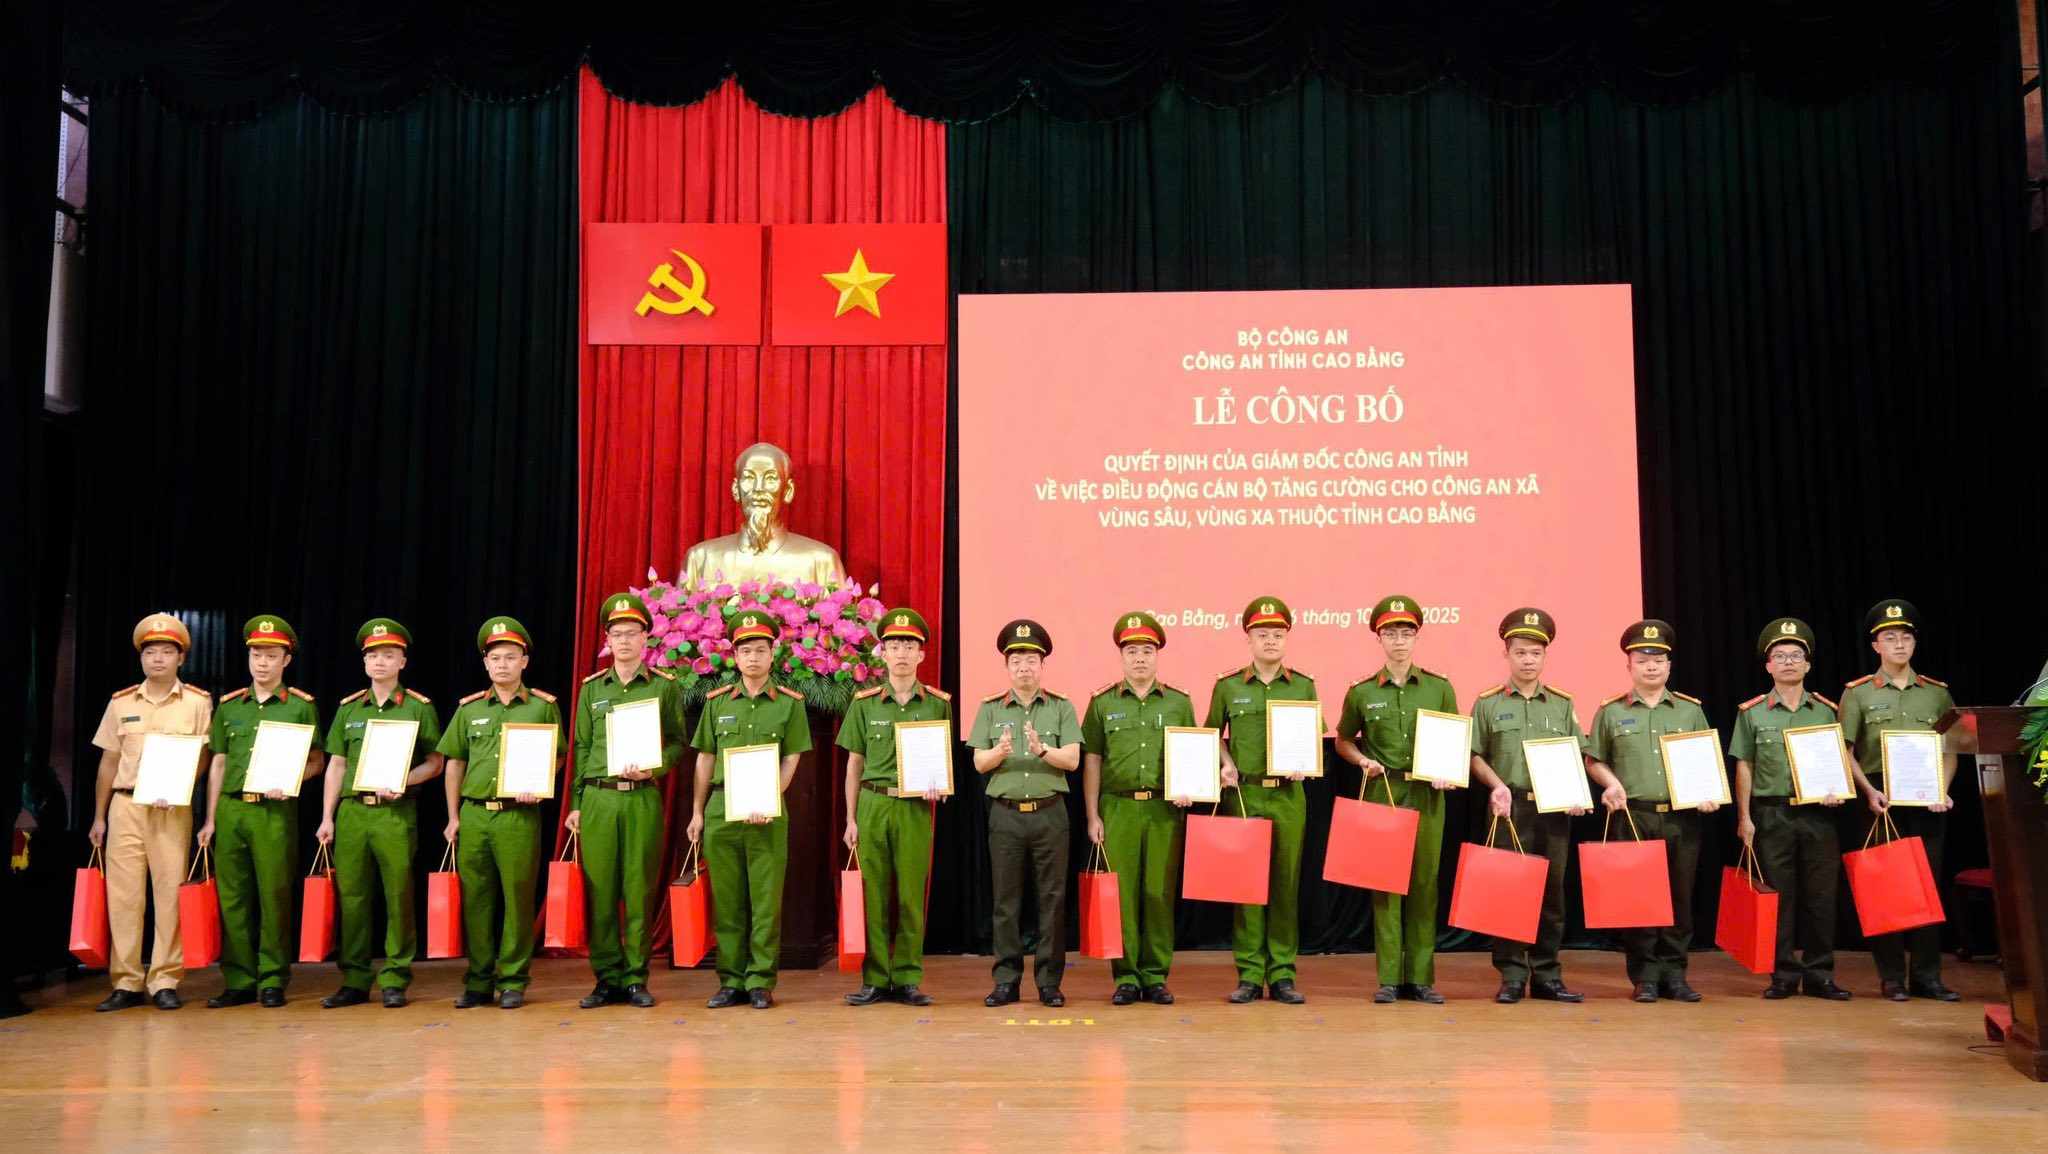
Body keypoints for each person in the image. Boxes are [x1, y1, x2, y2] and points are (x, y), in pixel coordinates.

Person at [1334, 596, 1459, 1004]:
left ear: (1416, 637)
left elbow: (1454, 739)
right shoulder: (1361, 691)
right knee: (1385, 887)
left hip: (1427, 793)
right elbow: (1342, 740)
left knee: (1424, 885)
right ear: (1379, 638)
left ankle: (1420, 977)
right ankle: (1389, 976)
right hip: (1382, 791)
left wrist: (1450, 772)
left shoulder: (1440, 688)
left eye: (1406, 633)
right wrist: (1361, 760)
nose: (1399, 641)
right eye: (1391, 633)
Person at [686, 609, 811, 1010]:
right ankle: (731, 980)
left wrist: (770, 796)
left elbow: (792, 757)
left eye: (760, 649)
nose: (753, 657)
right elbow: (705, 758)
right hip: (723, 807)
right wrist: (697, 811)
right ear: (734, 657)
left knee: (764, 899)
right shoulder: (717, 703)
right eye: (745, 650)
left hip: (768, 812)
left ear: (772, 654)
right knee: (728, 899)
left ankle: (759, 980)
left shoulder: (789, 704)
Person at [1838, 598, 1961, 1002]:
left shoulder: (1936, 694)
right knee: (1885, 889)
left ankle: (1927, 975)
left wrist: (1943, 787)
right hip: (1880, 798)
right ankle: (1891, 976)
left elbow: (1951, 747)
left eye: (1906, 637)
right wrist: (1868, 791)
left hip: (1927, 798)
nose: (1899, 644)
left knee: (1927, 888)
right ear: (1876, 645)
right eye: (1890, 638)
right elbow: (1846, 750)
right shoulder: (1857, 694)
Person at [1584, 619, 1713, 1004]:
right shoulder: (1610, 712)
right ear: (1629, 665)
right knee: (1639, 900)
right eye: (1642, 659)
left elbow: (1704, 761)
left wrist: (1706, 793)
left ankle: (1676, 975)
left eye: (1658, 659)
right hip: (1634, 816)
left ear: (1670, 665)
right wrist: (1611, 783)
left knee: (1679, 899)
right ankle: (1645, 977)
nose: (1651, 666)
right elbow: (1593, 759)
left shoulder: (1689, 711)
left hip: (1680, 816)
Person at [317, 618, 443, 1009]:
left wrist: (405, 779)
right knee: (352, 897)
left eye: (388, 655)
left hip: (394, 812)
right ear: (364, 662)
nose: (379, 662)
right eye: (373, 655)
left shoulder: (418, 708)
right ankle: (354, 979)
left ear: (402, 661)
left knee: (397, 895)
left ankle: (395, 977)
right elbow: (336, 764)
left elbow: (436, 762)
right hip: (354, 811)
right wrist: (327, 817)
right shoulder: (349, 709)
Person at [566, 594, 685, 1010]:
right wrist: (576, 804)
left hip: (641, 799)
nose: (623, 641)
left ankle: (636, 977)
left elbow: (676, 743)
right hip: (599, 797)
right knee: (600, 891)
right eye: (616, 634)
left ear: (645, 637)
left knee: (637, 888)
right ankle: (606, 978)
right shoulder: (591, 689)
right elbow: (581, 748)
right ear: (607, 640)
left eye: (631, 633)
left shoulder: (664, 687)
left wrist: (655, 769)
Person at [89, 613, 212, 1011]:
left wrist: (177, 787)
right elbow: (108, 761)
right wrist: (99, 815)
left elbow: (205, 758)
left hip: (171, 808)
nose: (158, 658)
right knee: (123, 898)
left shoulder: (197, 702)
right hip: (126, 805)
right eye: (150, 652)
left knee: (170, 893)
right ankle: (126, 981)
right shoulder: (122, 702)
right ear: (141, 658)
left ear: (181, 658)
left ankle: (164, 979)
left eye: (167, 651)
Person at [1467, 607, 1588, 1004]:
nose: (1528, 660)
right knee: (1508, 893)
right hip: (1509, 808)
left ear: (1545, 656)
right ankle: (1512, 975)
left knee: (1552, 894)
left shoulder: (1562, 704)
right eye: (1520, 652)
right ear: (1507, 654)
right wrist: (1496, 785)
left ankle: (1547, 974)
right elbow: (1474, 755)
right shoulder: (1487, 703)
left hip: (1553, 811)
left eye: (1535, 653)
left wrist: (1575, 794)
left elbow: (1577, 754)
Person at [437, 617, 560, 1009]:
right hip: (475, 815)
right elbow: (453, 763)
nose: (503, 664)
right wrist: (453, 816)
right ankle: (477, 980)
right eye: (495, 658)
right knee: (477, 899)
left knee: (518, 898)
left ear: (524, 661)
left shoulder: (542, 708)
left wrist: (538, 783)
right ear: (486, 664)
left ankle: (512, 980)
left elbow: (558, 758)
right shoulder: (469, 710)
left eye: (511, 657)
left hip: (517, 816)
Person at [199, 616, 320, 1007]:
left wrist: (291, 780)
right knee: (232, 897)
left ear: (286, 659)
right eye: (255, 654)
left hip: (273, 811)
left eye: (271, 655)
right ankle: (238, 978)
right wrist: (210, 818)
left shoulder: (301, 707)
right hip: (233, 808)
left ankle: (271, 978)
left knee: (273, 895)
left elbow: (318, 760)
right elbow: (218, 762)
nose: (262, 663)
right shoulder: (231, 706)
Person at [1731, 617, 1853, 1001]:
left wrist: (1838, 790)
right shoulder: (1752, 712)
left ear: (1808, 665)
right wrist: (1744, 817)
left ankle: (1820, 974)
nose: (1788, 662)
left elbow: (1840, 758)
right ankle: (1782, 974)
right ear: (1768, 666)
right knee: (1778, 899)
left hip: (1819, 813)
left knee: (1821, 899)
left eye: (1795, 655)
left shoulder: (1825, 711)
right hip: (1772, 813)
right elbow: (1744, 764)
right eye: (1779, 656)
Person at [1082, 611, 1199, 1006]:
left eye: (1147, 650)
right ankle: (1127, 976)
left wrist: (1190, 788)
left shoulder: (1180, 703)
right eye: (1131, 650)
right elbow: (1093, 760)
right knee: (1123, 895)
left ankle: (1155, 975)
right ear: (1121, 656)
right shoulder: (1101, 703)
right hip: (1118, 809)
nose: (1140, 658)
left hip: (1164, 811)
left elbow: (1191, 754)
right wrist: (1092, 815)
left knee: (1158, 893)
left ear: (1158, 655)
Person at [1207, 597, 1317, 1005]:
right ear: (1249, 639)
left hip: (1289, 795)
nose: (1270, 640)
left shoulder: (1303, 685)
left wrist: (1305, 763)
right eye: (1262, 634)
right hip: (1245, 793)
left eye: (1277, 633)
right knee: (1247, 887)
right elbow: (1212, 736)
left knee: (1286, 885)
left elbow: (1312, 735)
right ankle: (1250, 973)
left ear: (1286, 637)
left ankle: (1284, 973)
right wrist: (1226, 763)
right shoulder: (1229, 685)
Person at [839, 607, 951, 1006]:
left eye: (909, 645)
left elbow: (942, 761)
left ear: (922, 654)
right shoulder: (865, 703)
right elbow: (854, 764)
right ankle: (875, 978)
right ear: (881, 653)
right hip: (873, 803)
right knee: (873, 893)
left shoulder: (937, 703)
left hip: (914, 808)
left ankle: (906, 976)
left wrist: (938, 785)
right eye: (894, 645)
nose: (901, 652)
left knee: (908, 894)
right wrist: (851, 818)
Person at [967, 619, 1081, 1008]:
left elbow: (1073, 760)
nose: (1024, 667)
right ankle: (1006, 981)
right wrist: (1000, 753)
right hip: (1006, 816)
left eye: (1032, 659)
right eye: (1016, 660)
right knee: (1006, 901)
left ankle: (1049, 982)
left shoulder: (1062, 707)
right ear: (1007, 665)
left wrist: (1042, 750)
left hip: (1051, 815)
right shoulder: (989, 708)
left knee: (1052, 899)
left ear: (1042, 664)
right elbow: (979, 763)